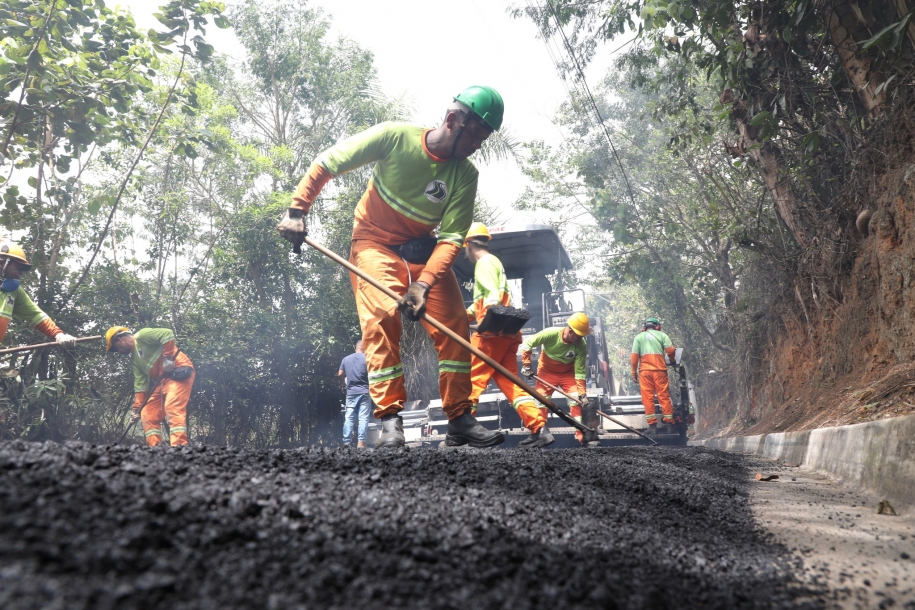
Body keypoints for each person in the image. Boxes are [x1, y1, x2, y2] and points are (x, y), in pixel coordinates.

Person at [276, 86, 506, 449]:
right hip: (374, 244)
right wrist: (297, 210)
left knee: (456, 325)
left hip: (423, 251)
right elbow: (328, 162)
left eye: (485, 136)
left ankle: (460, 418)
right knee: (382, 318)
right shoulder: (394, 137)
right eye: (476, 132)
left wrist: (424, 285)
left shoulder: (465, 175)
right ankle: (389, 422)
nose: (479, 143)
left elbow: (450, 239)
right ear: (452, 120)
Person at [463, 223, 551, 448]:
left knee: (471, 381)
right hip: (507, 335)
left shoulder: (483, 264)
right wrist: (464, 317)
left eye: (465, 248)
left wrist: (485, 325)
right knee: (511, 383)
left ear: (469, 245)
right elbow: (482, 301)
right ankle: (539, 428)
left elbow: (491, 298)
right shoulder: (495, 262)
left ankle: (462, 431)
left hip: (492, 335)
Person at [106, 326, 195, 447]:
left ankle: (180, 447)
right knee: (147, 412)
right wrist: (136, 410)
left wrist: (167, 358)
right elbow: (140, 385)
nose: (119, 352)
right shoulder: (134, 361)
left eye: (117, 349)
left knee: (172, 407)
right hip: (163, 380)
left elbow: (167, 334)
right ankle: (154, 448)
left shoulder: (141, 336)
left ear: (119, 340)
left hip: (178, 371)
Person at [520, 313, 591, 445]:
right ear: (570, 331)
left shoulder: (581, 345)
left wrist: (582, 394)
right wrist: (526, 366)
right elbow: (527, 344)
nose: (581, 339)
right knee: (541, 402)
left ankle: (582, 437)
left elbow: (580, 371)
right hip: (546, 373)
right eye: (579, 335)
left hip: (567, 374)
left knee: (575, 401)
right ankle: (541, 435)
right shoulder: (550, 333)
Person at [0, 243, 76, 346]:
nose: (20, 273)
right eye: (18, 267)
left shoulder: (13, 291)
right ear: (2, 263)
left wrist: (58, 335)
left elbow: (36, 315)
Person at [630, 317, 677, 434]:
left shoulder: (638, 338)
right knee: (664, 396)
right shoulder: (662, 335)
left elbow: (634, 357)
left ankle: (652, 427)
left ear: (644, 327)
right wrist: (672, 360)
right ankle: (669, 424)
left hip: (645, 372)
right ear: (657, 326)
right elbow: (671, 351)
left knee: (648, 398)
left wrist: (633, 372)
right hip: (660, 371)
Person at [338, 340, 372, 448]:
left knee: (349, 418)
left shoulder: (346, 359)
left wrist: (343, 385)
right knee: (363, 418)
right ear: (364, 347)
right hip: (365, 392)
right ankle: (361, 443)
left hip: (351, 393)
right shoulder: (367, 358)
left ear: (356, 347)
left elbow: (340, 374)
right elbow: (373, 374)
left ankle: (346, 442)